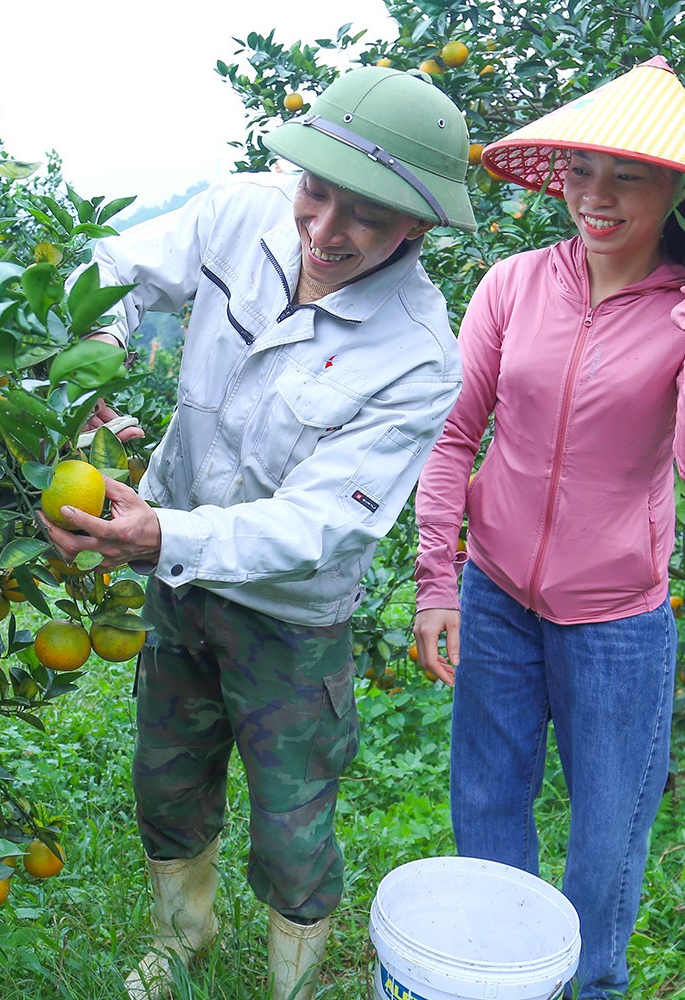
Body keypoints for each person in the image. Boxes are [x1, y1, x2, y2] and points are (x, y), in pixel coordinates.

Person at [40, 66, 477, 1000]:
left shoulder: (417, 354)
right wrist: (101, 350)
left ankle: (295, 981)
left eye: (363, 216)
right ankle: (183, 941)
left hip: (287, 616)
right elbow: (111, 270)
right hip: (178, 583)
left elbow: (318, 524)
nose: (323, 232)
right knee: (167, 779)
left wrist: (163, 537)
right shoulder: (240, 213)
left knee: (292, 822)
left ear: (418, 227)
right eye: (316, 195)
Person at [411, 56, 685, 999]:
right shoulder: (514, 284)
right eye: (581, 170)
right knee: (486, 807)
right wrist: (436, 583)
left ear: (677, 191)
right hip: (493, 593)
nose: (596, 196)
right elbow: (452, 437)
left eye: (629, 176)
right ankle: (496, 975)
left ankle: (594, 985)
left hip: (617, 622)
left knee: (608, 833)